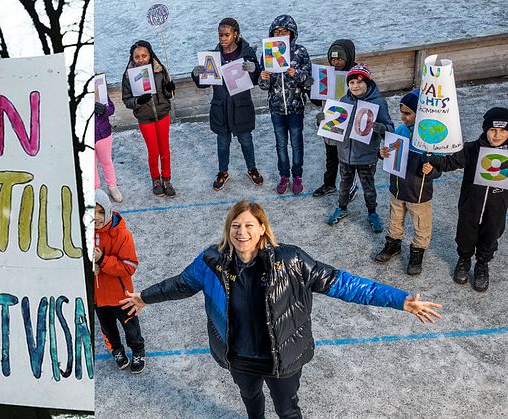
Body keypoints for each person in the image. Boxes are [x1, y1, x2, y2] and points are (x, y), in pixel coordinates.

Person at [120, 200, 441, 419]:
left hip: (282, 358)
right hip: (238, 358)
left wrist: (400, 300)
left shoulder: (292, 261)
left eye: (248, 225)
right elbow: (180, 284)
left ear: (262, 228)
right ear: (227, 231)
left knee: (287, 410)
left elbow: (345, 284)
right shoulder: (211, 261)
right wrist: (144, 297)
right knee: (250, 399)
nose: (241, 232)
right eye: (235, 226)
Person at [423, 107, 508, 292]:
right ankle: (464, 259)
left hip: (497, 207)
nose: (497, 135)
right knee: (465, 234)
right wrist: (432, 157)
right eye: (493, 130)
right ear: (485, 129)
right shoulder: (472, 149)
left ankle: (482, 264)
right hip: (471, 204)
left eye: (503, 131)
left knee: (491, 234)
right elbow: (450, 162)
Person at [191, 17, 263, 191]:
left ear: (235, 34)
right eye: (220, 35)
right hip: (220, 107)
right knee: (223, 143)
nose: (223, 38)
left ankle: (251, 168)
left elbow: (256, 79)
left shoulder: (246, 53)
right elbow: (203, 83)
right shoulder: (213, 57)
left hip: (241, 107)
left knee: (246, 140)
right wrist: (196, 74)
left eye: (227, 35)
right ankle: (223, 171)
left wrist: (254, 70)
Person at [376, 90, 441, 275]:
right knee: (394, 220)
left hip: (418, 193)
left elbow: (439, 166)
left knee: (421, 225)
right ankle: (393, 244)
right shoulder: (401, 130)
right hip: (397, 189)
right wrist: (382, 154)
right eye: (401, 112)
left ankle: (417, 252)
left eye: (407, 113)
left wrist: (432, 171)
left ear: (420, 113)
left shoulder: (429, 138)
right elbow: (391, 152)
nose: (403, 117)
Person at [326, 63, 394, 232]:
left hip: (367, 155)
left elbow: (390, 128)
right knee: (344, 184)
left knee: (369, 187)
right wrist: (324, 120)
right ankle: (342, 208)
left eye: (359, 82)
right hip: (345, 154)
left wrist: (382, 129)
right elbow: (336, 126)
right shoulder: (344, 100)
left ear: (367, 83)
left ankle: (372, 212)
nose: (355, 86)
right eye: (351, 83)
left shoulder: (378, 103)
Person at [259, 15, 311, 195]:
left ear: (291, 33)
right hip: (276, 108)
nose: (280, 34)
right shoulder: (267, 53)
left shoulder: (300, 52)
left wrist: (295, 74)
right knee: (281, 144)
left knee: (296, 143)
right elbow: (264, 86)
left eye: (284, 31)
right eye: (277, 31)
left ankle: (297, 176)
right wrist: (263, 78)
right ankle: (284, 176)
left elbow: (308, 81)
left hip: (296, 107)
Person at [94, 189, 145, 373]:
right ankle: (116, 349)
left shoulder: (123, 235)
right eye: (91, 212)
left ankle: (138, 350)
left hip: (121, 296)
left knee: (130, 327)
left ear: (108, 210)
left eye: (100, 212)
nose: (97, 218)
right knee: (107, 328)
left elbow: (129, 266)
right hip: (98, 297)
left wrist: (102, 260)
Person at [121, 40, 177, 197]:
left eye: (144, 56)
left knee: (164, 149)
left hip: (162, 114)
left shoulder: (159, 70)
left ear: (150, 55)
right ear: (132, 58)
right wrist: (138, 101)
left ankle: (166, 179)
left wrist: (169, 89)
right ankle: (156, 179)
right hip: (145, 118)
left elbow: (168, 94)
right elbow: (127, 100)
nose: (140, 59)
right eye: (137, 56)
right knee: (153, 151)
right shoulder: (128, 76)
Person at [312, 39, 359, 201]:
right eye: (333, 59)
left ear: (349, 57)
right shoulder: (326, 75)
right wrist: (309, 88)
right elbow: (318, 101)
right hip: (331, 123)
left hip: (349, 124)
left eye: (340, 58)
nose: (336, 62)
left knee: (348, 159)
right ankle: (329, 183)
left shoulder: (358, 76)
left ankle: (351, 187)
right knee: (331, 156)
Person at [95, 96, 123, 202]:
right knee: (91, 165)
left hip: (103, 133)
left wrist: (104, 110)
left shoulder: (100, 89)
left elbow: (111, 108)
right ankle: (95, 190)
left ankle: (112, 187)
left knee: (106, 161)